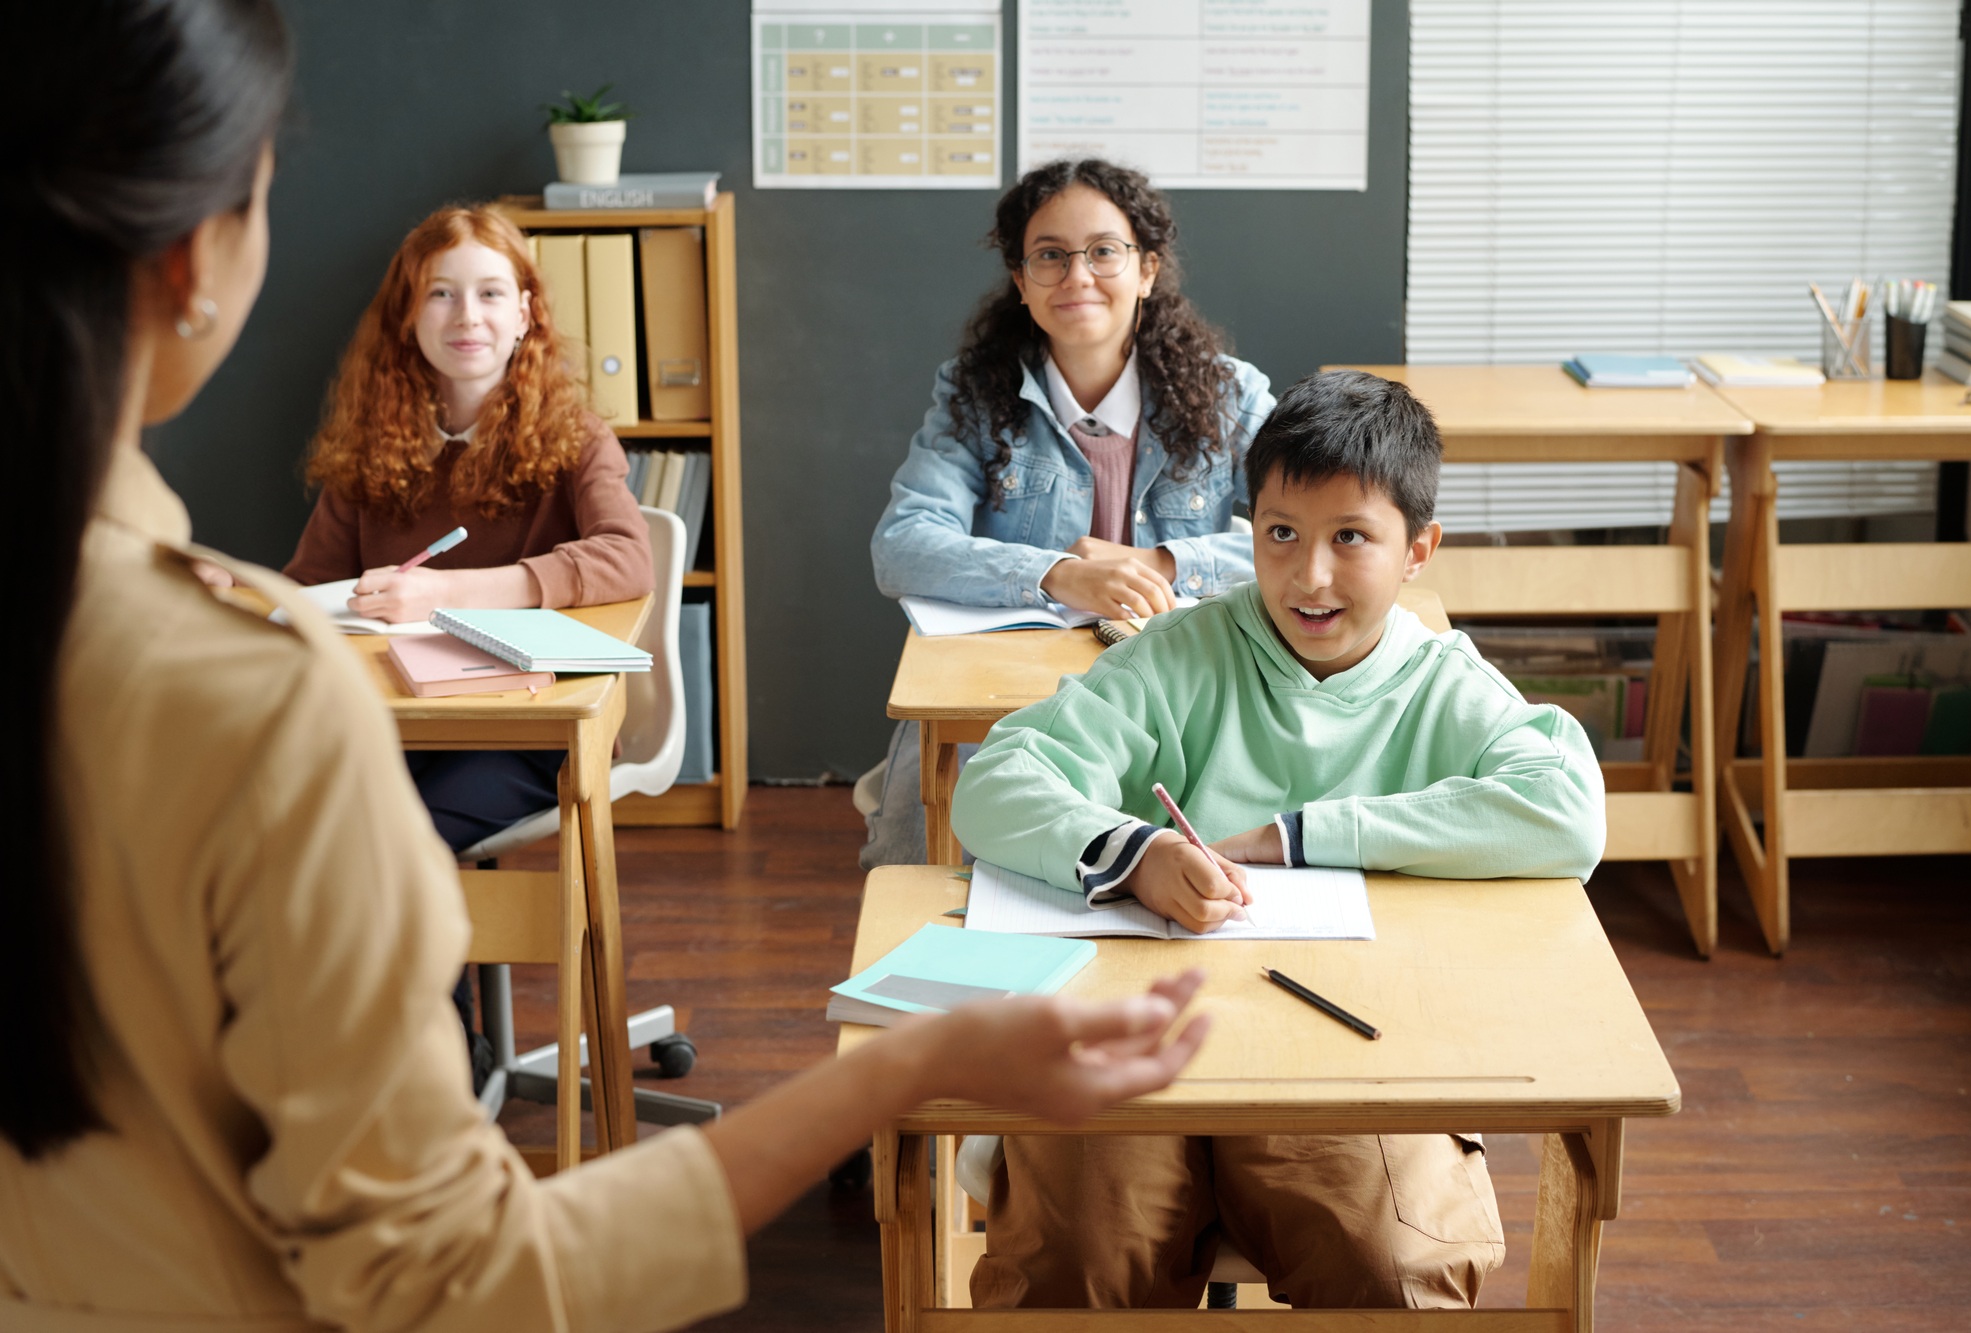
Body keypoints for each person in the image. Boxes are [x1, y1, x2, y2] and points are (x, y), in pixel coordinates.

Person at [1, 3, 1209, 1329]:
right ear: (193, 260)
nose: (1076, 278)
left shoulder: (279, 639)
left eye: (1103, 254)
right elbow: (460, 1284)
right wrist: (898, 1072)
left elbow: (620, 558)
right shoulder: (258, 699)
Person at [950, 370, 1608, 1310]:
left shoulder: (1440, 683)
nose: (1310, 575)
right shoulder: (1179, 656)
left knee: (1388, 1266)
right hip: (1141, 1043)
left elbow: (1567, 810)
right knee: (1080, 1265)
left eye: (1352, 538)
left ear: (1419, 548)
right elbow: (998, 783)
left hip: (1355, 1053)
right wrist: (1132, 853)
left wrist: (1301, 835)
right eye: (1280, 534)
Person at [863, 158, 1276, 867]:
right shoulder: (974, 395)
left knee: (1206, 850)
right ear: (1021, 282)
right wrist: (1057, 574)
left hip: (1180, 683)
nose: (1077, 276)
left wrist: (1166, 562)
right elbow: (901, 544)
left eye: (1104, 252)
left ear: (1146, 269)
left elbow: (1319, 536)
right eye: (1050, 256)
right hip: (1006, 688)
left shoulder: (1228, 394)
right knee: (908, 851)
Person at [282, 202, 650, 856]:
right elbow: (308, 585)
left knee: (395, 846)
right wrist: (241, 594)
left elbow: (627, 559)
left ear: (525, 315)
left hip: (531, 729)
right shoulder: (372, 446)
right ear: (408, 315)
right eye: (441, 295)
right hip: (399, 718)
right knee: (315, 828)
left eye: (489, 293)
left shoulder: (577, 436)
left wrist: (445, 594)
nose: (467, 316)